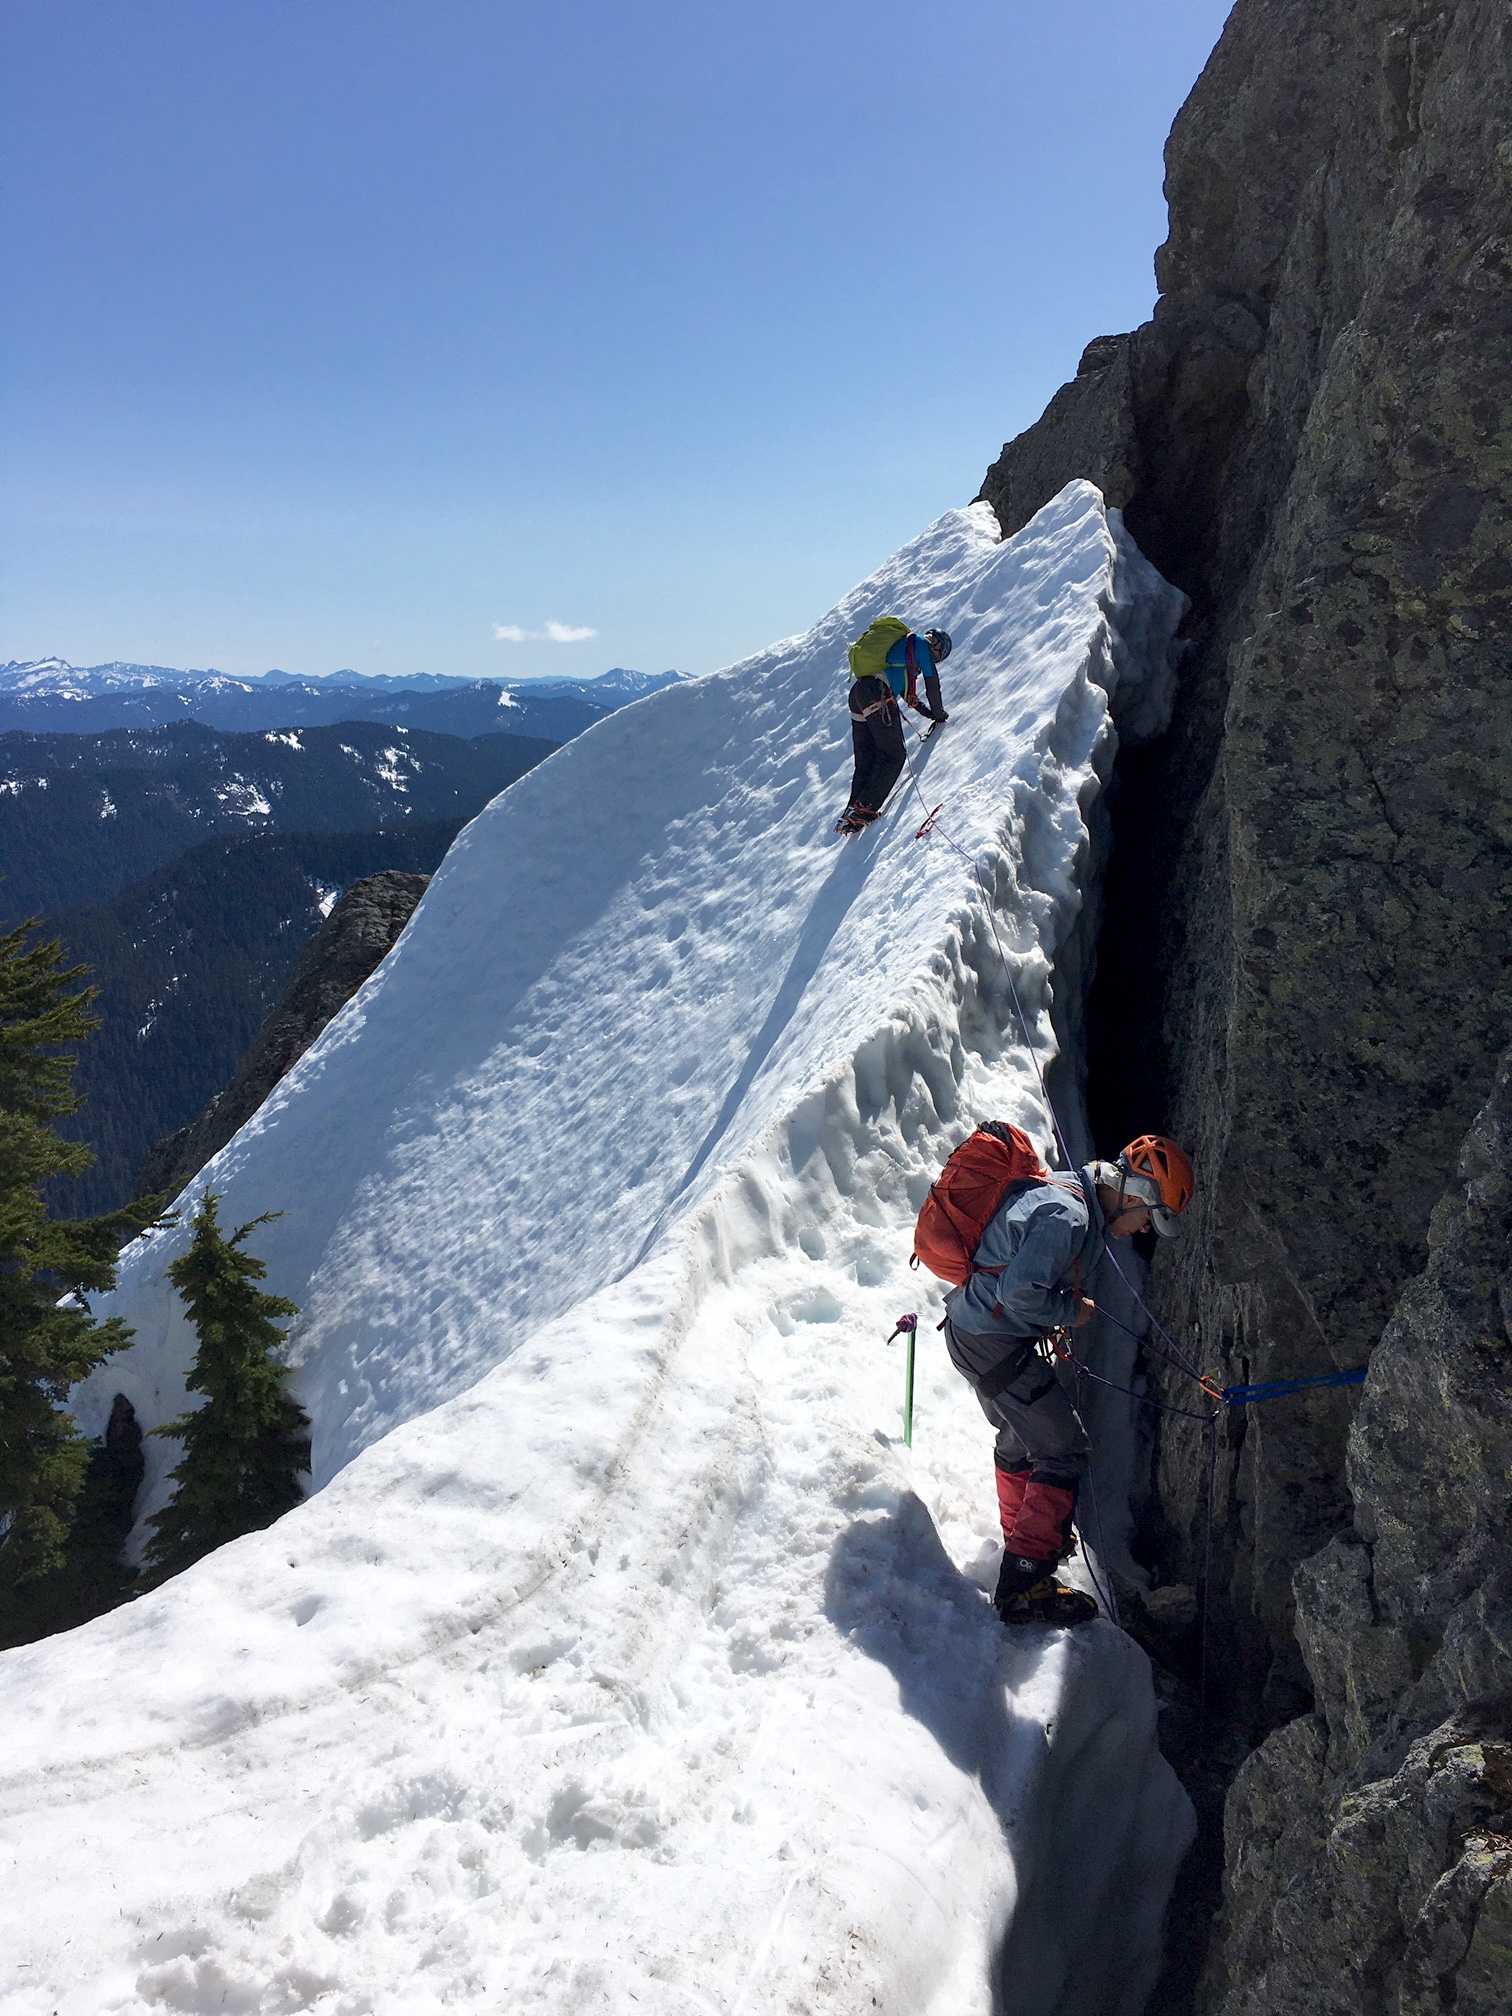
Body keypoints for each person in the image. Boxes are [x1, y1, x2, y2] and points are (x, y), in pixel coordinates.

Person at [941, 1134, 1195, 1625]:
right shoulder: (1070, 1217)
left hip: (977, 1333)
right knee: (1064, 1449)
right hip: (992, 1339)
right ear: (1135, 1195)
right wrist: (1067, 1311)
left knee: (1021, 1440)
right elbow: (1018, 1293)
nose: (1145, 1228)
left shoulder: (1069, 1194)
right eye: (1151, 1216)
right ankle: (1024, 1583)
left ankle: (1023, 1543)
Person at [836, 622, 952, 835]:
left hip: (859, 694)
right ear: (936, 645)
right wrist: (939, 714)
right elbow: (932, 684)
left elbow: (911, 699)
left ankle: (851, 814)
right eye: (937, 656)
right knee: (894, 755)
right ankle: (865, 808)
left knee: (866, 759)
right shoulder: (920, 644)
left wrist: (930, 716)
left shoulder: (904, 656)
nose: (934, 660)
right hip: (877, 692)